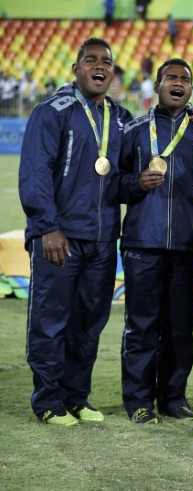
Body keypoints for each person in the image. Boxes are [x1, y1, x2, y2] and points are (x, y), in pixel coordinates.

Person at [19, 38, 133, 426]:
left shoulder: (118, 118)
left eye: (107, 62)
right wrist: (47, 228)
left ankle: (76, 396)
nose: (100, 67)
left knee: (88, 322)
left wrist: (189, 118)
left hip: (102, 240)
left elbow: (126, 175)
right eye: (91, 60)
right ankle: (49, 400)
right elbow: (35, 172)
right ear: (76, 69)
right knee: (51, 321)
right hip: (60, 237)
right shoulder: (52, 111)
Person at [118, 58, 193, 424]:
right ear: (158, 84)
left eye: (185, 79)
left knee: (181, 328)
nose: (178, 83)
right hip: (142, 244)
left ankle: (173, 398)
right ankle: (138, 401)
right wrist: (136, 184)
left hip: (187, 246)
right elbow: (114, 184)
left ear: (191, 89)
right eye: (171, 77)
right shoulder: (134, 130)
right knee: (142, 325)